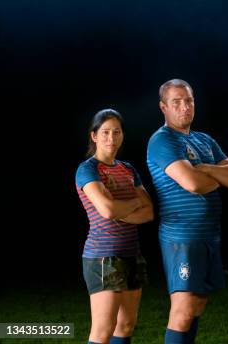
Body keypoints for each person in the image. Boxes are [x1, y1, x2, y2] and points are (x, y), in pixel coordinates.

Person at [147, 79, 228, 344]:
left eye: (188, 100)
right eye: (176, 102)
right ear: (163, 107)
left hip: (208, 236)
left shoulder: (204, 140)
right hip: (182, 237)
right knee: (183, 309)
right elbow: (193, 184)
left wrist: (203, 168)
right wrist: (212, 177)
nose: (184, 107)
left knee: (197, 304)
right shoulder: (161, 140)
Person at [76, 109, 154, 344]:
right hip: (103, 257)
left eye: (116, 132)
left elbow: (149, 212)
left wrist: (120, 209)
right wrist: (133, 204)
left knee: (126, 326)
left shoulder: (128, 169)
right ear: (94, 136)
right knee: (103, 330)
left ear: (122, 136)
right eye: (106, 132)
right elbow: (107, 210)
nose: (111, 137)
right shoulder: (87, 169)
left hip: (132, 254)